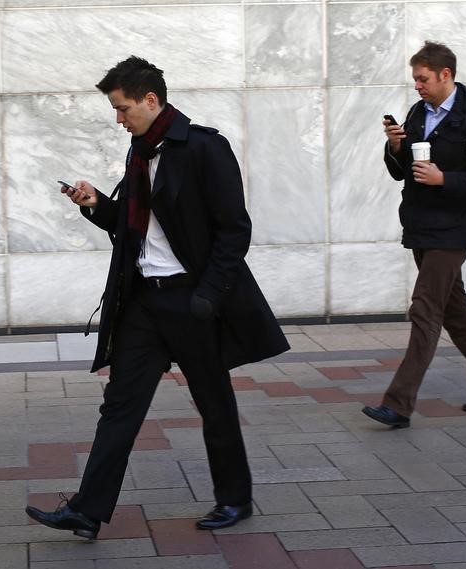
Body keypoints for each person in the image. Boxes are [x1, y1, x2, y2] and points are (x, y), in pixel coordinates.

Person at [25, 56, 289, 539]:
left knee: (214, 401)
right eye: (115, 109)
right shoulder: (139, 151)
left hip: (193, 301)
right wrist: (97, 204)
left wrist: (209, 296)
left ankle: (234, 499)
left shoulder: (205, 148)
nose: (118, 118)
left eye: (123, 108)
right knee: (121, 403)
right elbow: (134, 226)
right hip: (145, 302)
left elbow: (235, 231)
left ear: (151, 99)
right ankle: (87, 510)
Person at [362, 41, 466, 429]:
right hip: (422, 225)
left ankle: (398, 404)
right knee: (453, 309)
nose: (418, 86)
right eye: (415, 79)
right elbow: (401, 171)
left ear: (446, 75)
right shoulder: (417, 113)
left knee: (425, 308)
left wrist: (445, 179)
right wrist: (396, 147)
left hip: (456, 228)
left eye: (423, 79)